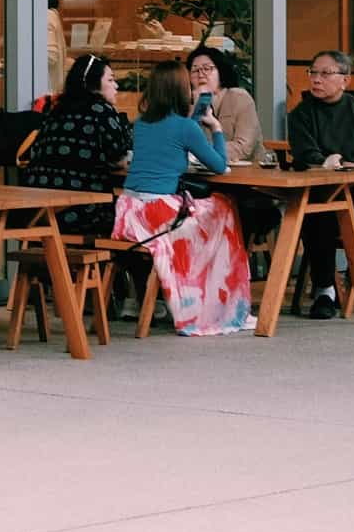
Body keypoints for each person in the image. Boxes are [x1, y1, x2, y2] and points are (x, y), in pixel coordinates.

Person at [114, 61, 248, 336]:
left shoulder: (140, 124)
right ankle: (217, 301)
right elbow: (220, 166)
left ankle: (171, 298)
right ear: (181, 91)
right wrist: (216, 128)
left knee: (203, 215)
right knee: (224, 208)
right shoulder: (185, 127)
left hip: (128, 211)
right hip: (158, 213)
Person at [285, 49, 354, 320]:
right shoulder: (301, 115)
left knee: (324, 213)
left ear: (345, 80)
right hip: (320, 193)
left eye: (325, 73)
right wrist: (346, 167)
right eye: (313, 73)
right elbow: (308, 158)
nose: (316, 80)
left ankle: (336, 284)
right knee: (315, 215)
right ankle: (325, 290)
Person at [16, 53, 129, 239]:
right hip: (82, 213)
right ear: (93, 85)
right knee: (134, 216)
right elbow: (119, 160)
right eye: (110, 80)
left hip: (38, 212)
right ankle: (128, 267)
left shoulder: (56, 111)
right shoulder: (102, 111)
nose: (116, 86)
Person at [185, 45, 265, 165]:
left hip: (245, 175)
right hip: (202, 174)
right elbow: (183, 142)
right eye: (195, 70)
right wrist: (195, 109)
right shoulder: (189, 103)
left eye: (207, 69)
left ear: (221, 72)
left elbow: (243, 148)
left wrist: (202, 153)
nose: (200, 74)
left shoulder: (239, 98)